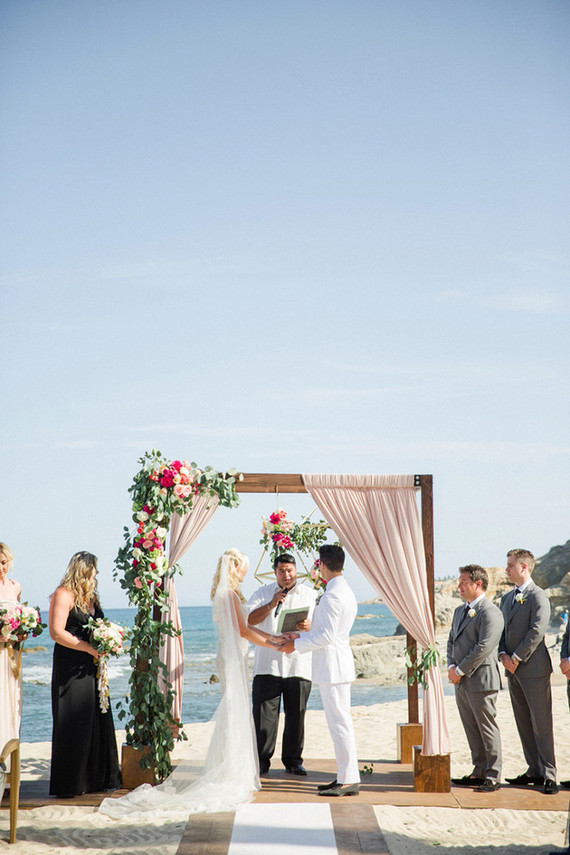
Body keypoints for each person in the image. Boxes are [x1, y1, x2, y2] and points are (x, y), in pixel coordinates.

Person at [100, 548, 282, 818]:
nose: (244, 573)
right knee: (235, 709)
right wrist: (273, 642)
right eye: (242, 568)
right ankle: (232, 770)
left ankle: (229, 765)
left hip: (231, 655)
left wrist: (273, 640)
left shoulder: (222, 595)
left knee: (234, 708)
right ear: (234, 568)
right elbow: (243, 630)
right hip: (234, 659)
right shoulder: (230, 595)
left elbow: (241, 629)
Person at [279, 544, 360, 796]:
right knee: (339, 723)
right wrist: (302, 632)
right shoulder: (342, 590)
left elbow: (327, 637)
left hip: (333, 668)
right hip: (334, 666)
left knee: (340, 724)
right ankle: (344, 776)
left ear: (322, 564)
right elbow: (327, 630)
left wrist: (295, 645)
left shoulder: (334, 595)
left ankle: (347, 780)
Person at [49, 551, 121, 797]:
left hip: (92, 666)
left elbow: (98, 627)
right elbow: (57, 632)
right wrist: (89, 647)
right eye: (95, 570)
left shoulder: (92, 597)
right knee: (74, 720)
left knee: (94, 718)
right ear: (84, 569)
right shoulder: (63, 594)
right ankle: (70, 783)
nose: (97, 574)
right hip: (70, 666)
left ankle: (95, 780)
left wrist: (110, 641)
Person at [247, 552, 317, 775]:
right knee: (264, 718)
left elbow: (321, 628)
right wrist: (271, 604)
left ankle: (293, 761)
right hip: (268, 664)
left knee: (296, 715)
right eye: (281, 571)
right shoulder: (262, 593)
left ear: (296, 570)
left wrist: (308, 626)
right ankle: (261, 762)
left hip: (299, 664)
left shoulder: (310, 594)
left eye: (290, 570)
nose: (286, 575)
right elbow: (249, 620)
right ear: (275, 572)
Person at [499, 548, 558, 795]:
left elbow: (537, 631)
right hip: (512, 670)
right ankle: (533, 770)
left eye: (511, 565)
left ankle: (549, 775)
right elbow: (501, 629)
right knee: (523, 721)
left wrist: (516, 657)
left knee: (541, 722)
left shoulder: (538, 596)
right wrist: (502, 654)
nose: (507, 569)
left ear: (524, 567)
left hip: (533, 668)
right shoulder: (506, 598)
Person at [447, 565, 504, 792]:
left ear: (477, 584)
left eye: (463, 582)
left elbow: (483, 647)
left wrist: (459, 670)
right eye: (459, 582)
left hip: (481, 680)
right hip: (461, 680)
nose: (459, 586)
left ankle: (493, 774)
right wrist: (451, 666)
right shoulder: (459, 611)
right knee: (471, 727)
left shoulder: (490, 612)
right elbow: (452, 640)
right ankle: (479, 770)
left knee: (486, 727)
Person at [0, 543, 22, 771]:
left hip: (11, 657)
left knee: (11, 707)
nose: (0, 567)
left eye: (3, 562)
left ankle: (7, 769)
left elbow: (18, 621)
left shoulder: (15, 587)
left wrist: (22, 632)